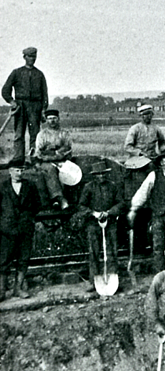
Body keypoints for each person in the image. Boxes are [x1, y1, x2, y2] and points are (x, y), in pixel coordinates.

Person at [77, 161, 126, 292]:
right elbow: (81, 206)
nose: (101, 176)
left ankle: (113, 279)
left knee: (112, 251)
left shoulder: (113, 187)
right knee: (94, 251)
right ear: (94, 175)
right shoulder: (88, 187)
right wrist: (93, 213)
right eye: (98, 174)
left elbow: (121, 203)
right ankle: (94, 281)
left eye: (103, 174)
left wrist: (109, 212)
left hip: (110, 223)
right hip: (93, 224)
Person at [0, 156, 41, 300]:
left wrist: (28, 218)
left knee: (24, 258)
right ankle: (2, 290)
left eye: (21, 170)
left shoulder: (30, 186)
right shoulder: (2, 187)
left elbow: (37, 205)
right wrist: (4, 223)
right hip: (7, 230)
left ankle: (18, 288)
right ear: (10, 171)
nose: (19, 173)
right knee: (4, 260)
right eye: (16, 170)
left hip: (25, 228)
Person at [2, 47, 48, 157]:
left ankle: (34, 159)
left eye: (34, 57)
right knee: (19, 134)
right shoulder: (16, 73)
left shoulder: (39, 74)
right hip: (20, 106)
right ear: (24, 57)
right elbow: (5, 90)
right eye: (30, 56)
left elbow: (44, 94)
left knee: (35, 135)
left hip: (35, 107)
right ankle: (18, 158)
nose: (32, 59)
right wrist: (11, 101)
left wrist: (43, 110)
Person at [34, 109, 73, 209]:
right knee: (50, 170)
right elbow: (39, 152)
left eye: (54, 118)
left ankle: (67, 199)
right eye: (49, 119)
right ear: (46, 120)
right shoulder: (41, 135)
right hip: (46, 162)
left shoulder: (64, 134)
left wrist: (55, 153)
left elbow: (68, 149)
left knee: (69, 171)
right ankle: (59, 199)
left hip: (62, 160)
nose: (52, 121)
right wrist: (54, 153)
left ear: (58, 119)